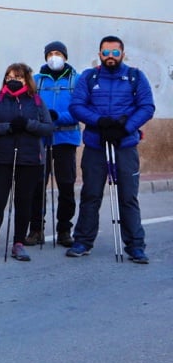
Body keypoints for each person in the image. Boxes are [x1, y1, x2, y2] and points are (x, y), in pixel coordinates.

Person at [67, 36, 155, 262]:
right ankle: (82, 241)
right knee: (91, 194)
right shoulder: (89, 77)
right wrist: (100, 122)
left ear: (122, 54)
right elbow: (77, 106)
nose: (110, 57)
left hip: (124, 145)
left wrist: (126, 127)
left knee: (128, 196)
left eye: (115, 53)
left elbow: (146, 106)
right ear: (99, 54)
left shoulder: (135, 76)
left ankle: (136, 246)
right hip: (96, 145)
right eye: (106, 52)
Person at [0, 64, 55, 262]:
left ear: (27, 79)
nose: (12, 79)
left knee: (23, 201)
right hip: (1, 158)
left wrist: (28, 124)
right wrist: (8, 128)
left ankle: (18, 243)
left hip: (29, 159)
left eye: (17, 76)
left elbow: (47, 127)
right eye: (8, 76)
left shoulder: (36, 101)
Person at [26, 41, 80, 247]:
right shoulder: (36, 80)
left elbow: (80, 107)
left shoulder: (76, 80)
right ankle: (36, 228)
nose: (54, 57)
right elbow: (30, 105)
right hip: (40, 139)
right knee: (37, 185)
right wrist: (41, 121)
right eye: (50, 54)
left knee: (66, 184)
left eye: (58, 53)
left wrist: (58, 116)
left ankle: (65, 229)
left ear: (65, 56)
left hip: (65, 139)